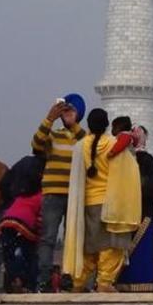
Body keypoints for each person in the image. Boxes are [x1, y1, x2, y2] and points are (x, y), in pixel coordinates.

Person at [62, 108, 141, 293]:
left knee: (88, 246)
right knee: (111, 246)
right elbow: (130, 170)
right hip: (110, 203)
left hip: (88, 203)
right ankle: (105, 282)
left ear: (88, 124)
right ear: (107, 125)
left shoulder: (81, 146)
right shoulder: (114, 143)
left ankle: (78, 283)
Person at [31, 95, 86, 291]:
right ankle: (45, 279)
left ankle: (69, 276)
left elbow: (89, 147)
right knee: (49, 237)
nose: (67, 114)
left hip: (75, 195)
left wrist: (73, 124)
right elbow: (36, 145)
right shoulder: (53, 136)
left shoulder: (82, 138)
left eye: (71, 110)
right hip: (53, 192)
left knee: (73, 238)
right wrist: (49, 118)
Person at [116, 120, 153, 292]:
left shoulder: (122, 158)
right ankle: (141, 283)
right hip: (144, 211)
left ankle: (122, 282)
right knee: (142, 252)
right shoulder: (146, 159)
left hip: (123, 212)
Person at [0, 169, 42, 292]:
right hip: (24, 225)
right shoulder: (40, 196)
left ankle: (14, 279)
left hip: (5, 223)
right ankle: (28, 284)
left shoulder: (20, 196)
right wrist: (37, 238)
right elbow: (40, 220)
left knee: (9, 255)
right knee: (30, 255)